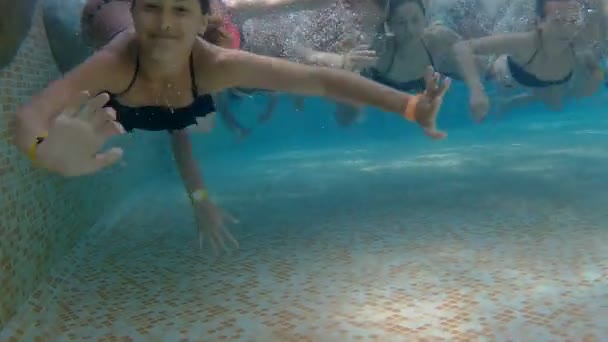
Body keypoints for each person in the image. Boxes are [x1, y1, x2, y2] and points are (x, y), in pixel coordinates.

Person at [14, 0, 451, 253]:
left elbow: (318, 79)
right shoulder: (113, 60)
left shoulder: (217, 65)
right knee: (62, 30)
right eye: (151, 7)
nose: (165, 24)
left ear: (203, 21)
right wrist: (41, 148)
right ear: (135, 7)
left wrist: (410, 106)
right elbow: (29, 117)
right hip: (97, 25)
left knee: (182, 114)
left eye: (181, 10)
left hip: (162, 78)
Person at [454, 0, 602, 122]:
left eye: (573, 21)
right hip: (513, 75)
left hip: (550, 79)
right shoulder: (526, 43)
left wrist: (596, 76)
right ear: (540, 22)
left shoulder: (579, 43)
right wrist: (476, 90)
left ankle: (513, 103)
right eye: (557, 21)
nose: (566, 29)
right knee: (499, 74)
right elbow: (463, 47)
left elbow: (594, 66)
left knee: (555, 105)